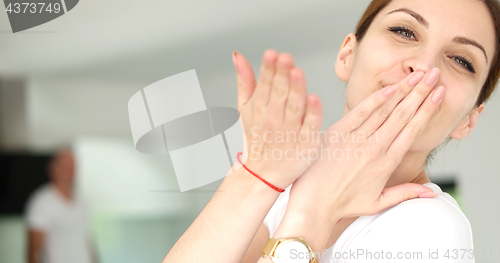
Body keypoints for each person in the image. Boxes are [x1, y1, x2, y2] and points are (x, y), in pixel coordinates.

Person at [163, 0, 500, 262]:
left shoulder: (431, 227)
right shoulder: (286, 188)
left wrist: (313, 210)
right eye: (405, 31)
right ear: (347, 55)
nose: (424, 67)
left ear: (468, 118)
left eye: (461, 60)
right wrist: (254, 176)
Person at [25, 150, 97, 263]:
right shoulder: (41, 202)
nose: (70, 171)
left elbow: (86, 242)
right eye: (66, 166)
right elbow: (33, 251)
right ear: (53, 169)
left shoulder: (81, 201)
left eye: (73, 166)